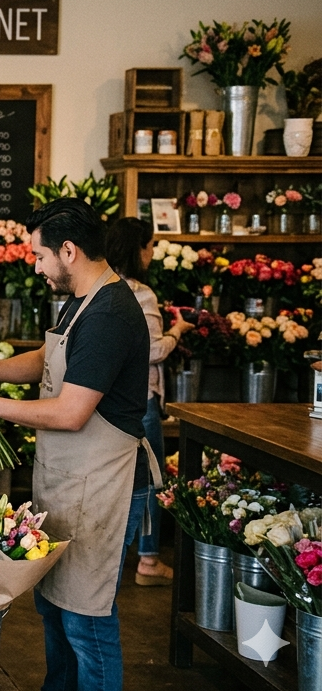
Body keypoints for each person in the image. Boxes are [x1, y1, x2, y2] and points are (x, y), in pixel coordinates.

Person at [0, 199, 157, 691]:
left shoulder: (111, 311)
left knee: (87, 623)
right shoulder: (83, 300)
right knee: (53, 609)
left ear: (69, 250)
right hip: (71, 484)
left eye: (41, 256)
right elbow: (49, 360)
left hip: (104, 487)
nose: (37, 266)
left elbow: (71, 411)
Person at [104, 217, 194, 586]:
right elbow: (153, 351)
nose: (153, 252)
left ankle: (116, 557)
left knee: (118, 481)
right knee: (150, 479)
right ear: (137, 249)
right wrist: (178, 329)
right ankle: (150, 559)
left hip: (107, 404)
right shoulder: (140, 293)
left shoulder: (101, 289)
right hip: (141, 402)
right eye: (150, 245)